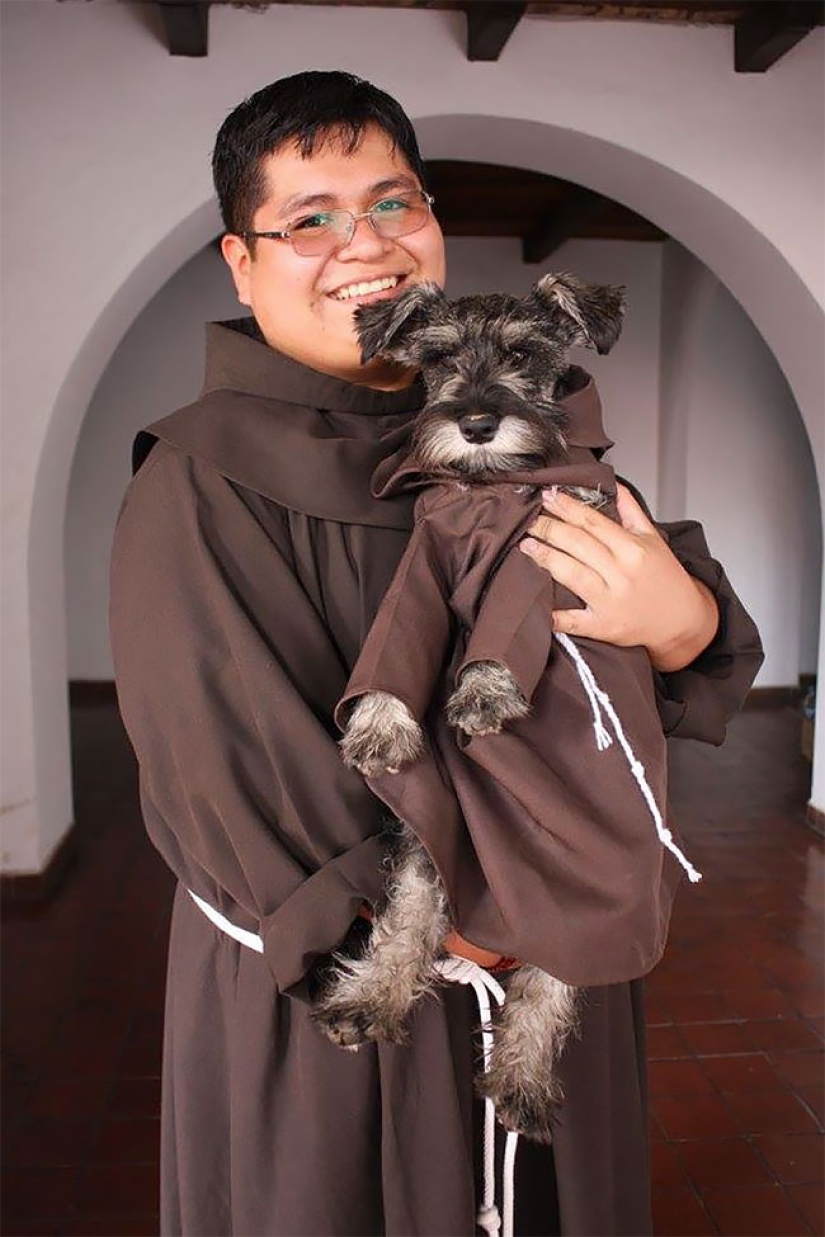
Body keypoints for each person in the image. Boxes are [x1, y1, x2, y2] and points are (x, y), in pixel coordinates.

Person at [109, 71, 763, 1237]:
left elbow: (654, 663)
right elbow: (231, 775)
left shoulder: (533, 431)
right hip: (363, 981)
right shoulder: (197, 482)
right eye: (309, 218)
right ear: (241, 260)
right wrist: (506, 915)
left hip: (554, 954)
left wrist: (682, 623)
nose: (365, 244)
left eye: (394, 203)